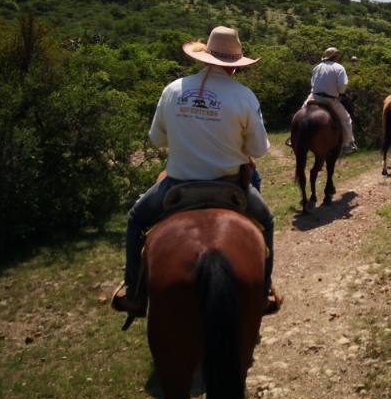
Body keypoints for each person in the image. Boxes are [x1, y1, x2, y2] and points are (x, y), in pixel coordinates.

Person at [112, 26, 282, 317]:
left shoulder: (173, 89)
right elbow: (259, 149)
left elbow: (157, 139)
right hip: (230, 187)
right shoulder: (244, 96)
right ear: (235, 65)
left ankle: (134, 293)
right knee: (265, 221)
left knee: (136, 220)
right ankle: (265, 290)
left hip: (177, 184)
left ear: (204, 57)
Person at [304, 46, 357, 155]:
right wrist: (339, 91)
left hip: (314, 96)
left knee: (301, 112)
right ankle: (347, 144)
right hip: (330, 100)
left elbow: (313, 83)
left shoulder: (317, 67)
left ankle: (293, 136)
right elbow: (342, 87)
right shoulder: (339, 68)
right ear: (335, 56)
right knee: (346, 119)